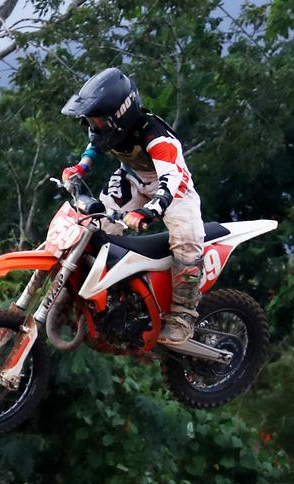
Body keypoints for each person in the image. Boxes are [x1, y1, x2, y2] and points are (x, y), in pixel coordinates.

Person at [61, 67, 204, 345]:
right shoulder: (108, 131)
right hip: (133, 178)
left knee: (187, 241)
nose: (95, 127)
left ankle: (183, 316)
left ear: (120, 114)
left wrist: (149, 211)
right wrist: (80, 168)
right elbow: (95, 148)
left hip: (173, 185)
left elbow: (170, 181)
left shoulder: (157, 137)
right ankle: (96, 291)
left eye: (99, 121)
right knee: (93, 225)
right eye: (91, 121)